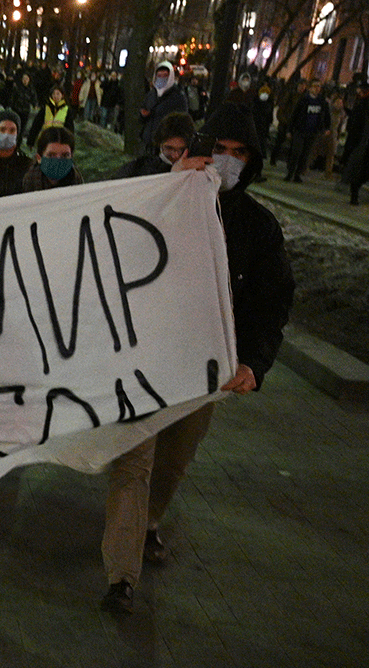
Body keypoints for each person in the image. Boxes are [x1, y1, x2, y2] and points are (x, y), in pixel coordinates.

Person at [100, 101, 294, 614]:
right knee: (134, 460)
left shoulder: (258, 227)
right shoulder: (163, 195)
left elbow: (271, 302)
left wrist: (254, 362)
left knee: (174, 459)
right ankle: (122, 575)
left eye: (239, 154)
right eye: (219, 150)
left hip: (204, 368)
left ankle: (147, 526)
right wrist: (167, 180)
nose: (228, 161)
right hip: (143, 356)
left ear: (251, 161)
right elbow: (106, 219)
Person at [113, 111, 195, 179]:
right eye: (169, 148)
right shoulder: (138, 168)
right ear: (160, 143)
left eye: (181, 150)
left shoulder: (196, 170)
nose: (175, 155)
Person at [283, 83, 330, 183]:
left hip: (313, 132)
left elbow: (326, 116)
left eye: (318, 87)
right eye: (315, 86)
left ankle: (298, 174)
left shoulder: (321, 102)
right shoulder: (303, 100)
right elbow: (294, 115)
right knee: (296, 152)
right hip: (300, 131)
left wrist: (326, 128)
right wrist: (289, 130)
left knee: (305, 154)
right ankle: (290, 173)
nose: (317, 89)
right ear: (310, 88)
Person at [139, 61, 188, 147]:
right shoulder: (152, 94)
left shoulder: (178, 96)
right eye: (159, 76)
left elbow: (182, 121)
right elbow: (143, 113)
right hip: (148, 142)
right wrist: (143, 115)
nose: (162, 79)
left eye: (165, 76)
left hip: (166, 144)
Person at [22, 126, 84, 191]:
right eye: (51, 155)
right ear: (39, 158)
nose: (58, 160)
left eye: (65, 155)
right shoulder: (30, 181)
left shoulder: (76, 181)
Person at [27, 85, 76, 151]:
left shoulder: (67, 110)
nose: (55, 96)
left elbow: (70, 128)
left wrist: (70, 144)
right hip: (46, 138)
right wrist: (31, 141)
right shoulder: (45, 108)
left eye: (58, 94)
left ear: (62, 95)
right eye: (54, 94)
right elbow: (36, 124)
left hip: (60, 140)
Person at [343, 81, 369, 205]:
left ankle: (354, 192)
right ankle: (354, 193)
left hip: (361, 143)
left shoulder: (363, 105)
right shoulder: (362, 105)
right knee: (359, 170)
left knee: (361, 171)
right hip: (362, 143)